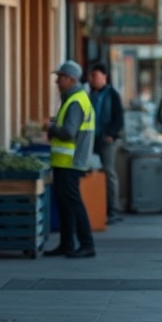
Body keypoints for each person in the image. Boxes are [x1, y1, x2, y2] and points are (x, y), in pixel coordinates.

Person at [45, 60, 96, 258]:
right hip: (65, 162)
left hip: (70, 161)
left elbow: (68, 131)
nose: (57, 81)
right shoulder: (71, 98)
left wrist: (50, 127)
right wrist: (50, 121)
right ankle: (67, 244)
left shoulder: (75, 101)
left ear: (70, 79)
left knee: (73, 203)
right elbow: (62, 121)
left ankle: (86, 244)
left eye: (60, 78)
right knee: (65, 203)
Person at [88, 62, 124, 224]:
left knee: (109, 173)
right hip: (91, 139)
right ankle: (95, 208)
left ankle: (113, 210)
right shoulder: (89, 94)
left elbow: (119, 117)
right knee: (90, 171)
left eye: (95, 76)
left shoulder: (112, 94)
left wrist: (111, 134)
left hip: (107, 139)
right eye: (91, 76)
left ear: (104, 77)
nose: (92, 79)